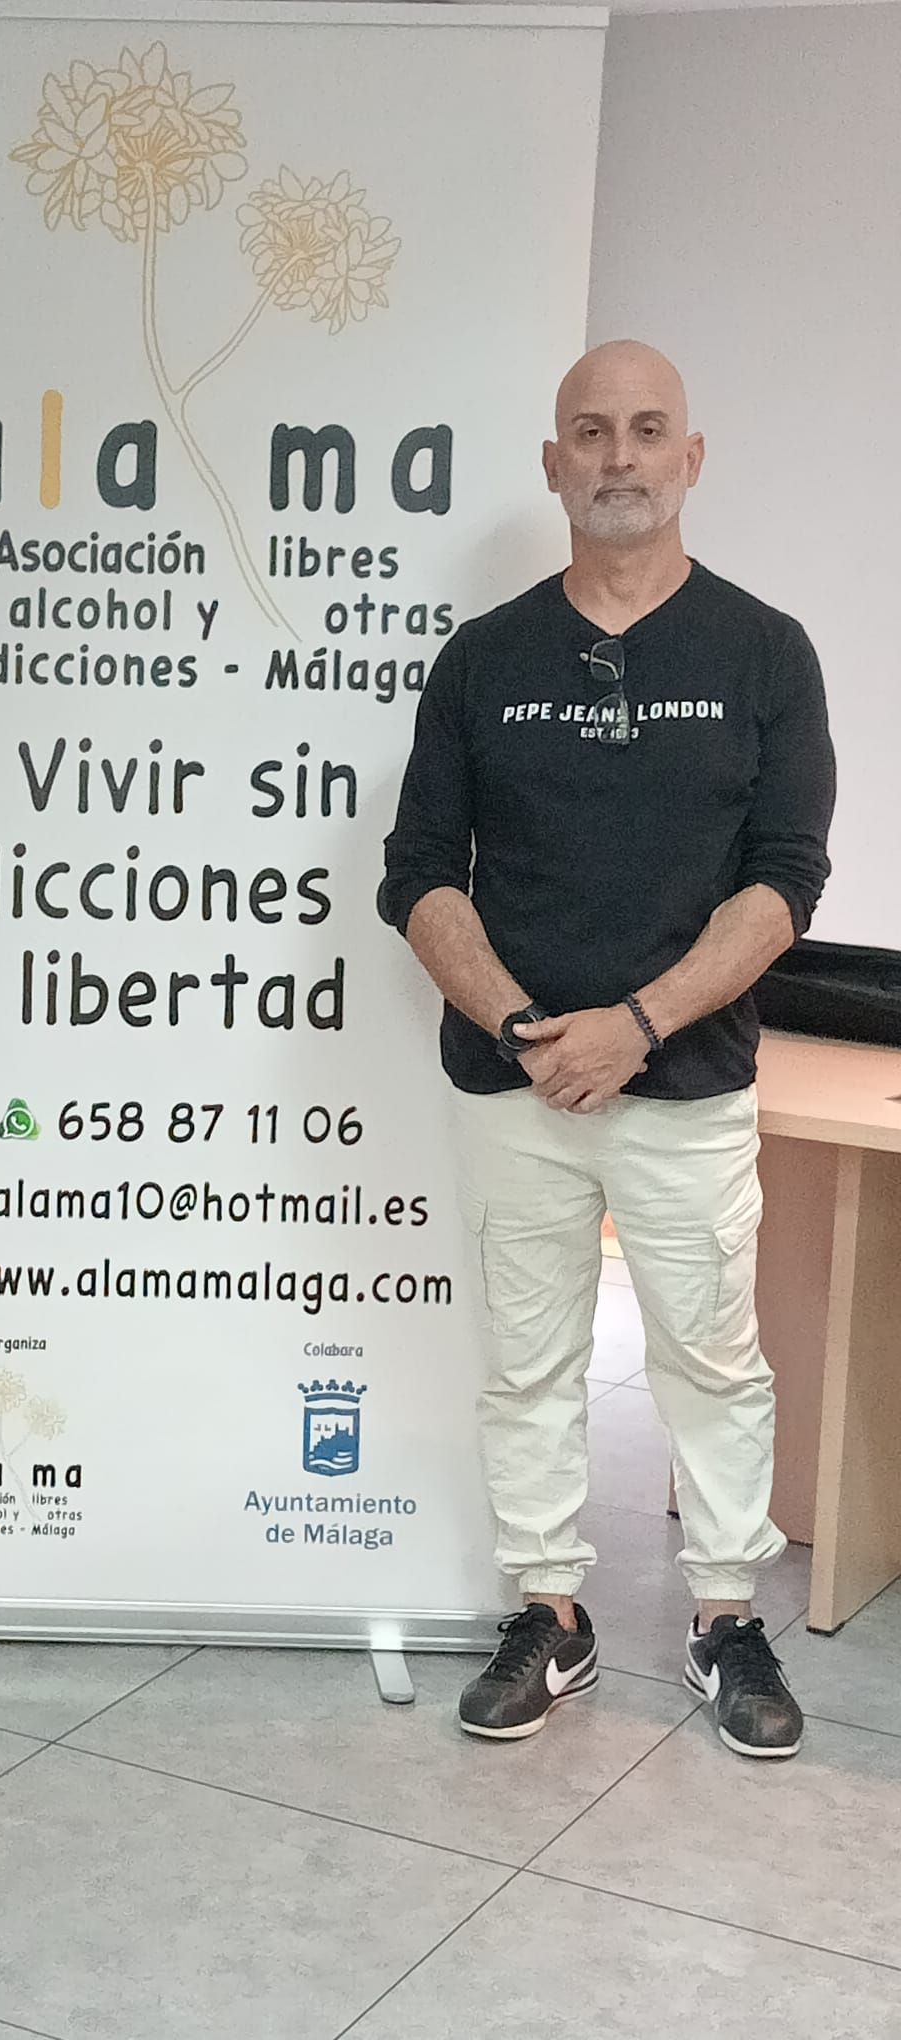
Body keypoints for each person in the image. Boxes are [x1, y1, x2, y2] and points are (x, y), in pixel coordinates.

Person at [381, 340, 835, 1759]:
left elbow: (786, 881)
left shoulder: (764, 652)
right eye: (591, 432)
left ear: (690, 459)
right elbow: (417, 872)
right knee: (527, 1363)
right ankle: (549, 1614)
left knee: (711, 1359)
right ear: (552, 464)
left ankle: (725, 1617)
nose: (619, 456)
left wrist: (637, 1025)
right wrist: (524, 1027)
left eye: (647, 431)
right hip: (513, 1082)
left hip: (687, 1080)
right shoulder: (484, 658)